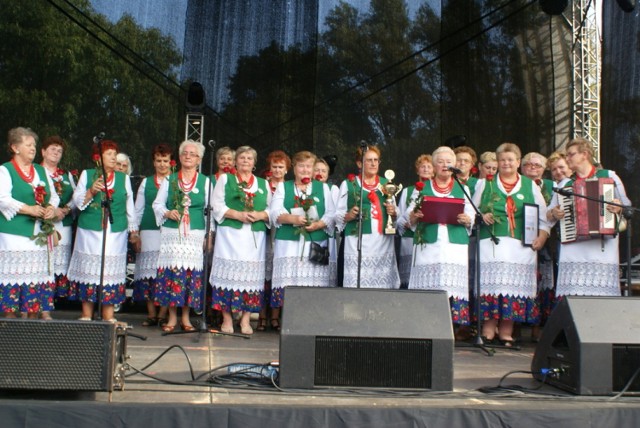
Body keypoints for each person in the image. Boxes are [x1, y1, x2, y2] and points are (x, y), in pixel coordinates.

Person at [472, 142, 550, 346]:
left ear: (518, 162)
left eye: (510, 159)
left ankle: (506, 330)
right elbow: (470, 209)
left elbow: (543, 217)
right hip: (491, 244)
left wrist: (541, 237)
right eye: (502, 160)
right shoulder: (484, 184)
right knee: (492, 285)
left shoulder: (529, 185)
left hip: (520, 246)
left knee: (513, 287)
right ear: (497, 162)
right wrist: (482, 215)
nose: (506, 163)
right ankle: (488, 329)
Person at [547, 138, 630, 300]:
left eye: (571, 155)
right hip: (573, 247)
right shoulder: (564, 184)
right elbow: (548, 215)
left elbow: (627, 207)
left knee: (601, 299)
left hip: (602, 248)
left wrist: (618, 207)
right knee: (574, 298)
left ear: (584, 154)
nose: (568, 158)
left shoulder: (609, 176)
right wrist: (554, 213)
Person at [67, 140, 137, 322]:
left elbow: (130, 206)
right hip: (90, 231)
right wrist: (90, 191)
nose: (113, 157)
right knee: (88, 269)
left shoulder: (124, 178)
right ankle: (86, 314)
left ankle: (108, 315)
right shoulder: (88, 174)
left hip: (116, 231)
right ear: (98, 157)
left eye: (115, 154)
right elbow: (77, 202)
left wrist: (133, 231)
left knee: (110, 272)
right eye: (109, 154)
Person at [404, 147, 473, 326]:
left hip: (454, 245)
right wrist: (414, 216)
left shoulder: (463, 188)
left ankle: (453, 328)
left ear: (454, 165)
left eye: (448, 162)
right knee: (429, 285)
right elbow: (407, 216)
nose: (445, 165)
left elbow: (472, 214)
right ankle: (425, 325)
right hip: (428, 244)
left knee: (452, 286)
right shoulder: (422, 188)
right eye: (440, 162)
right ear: (434, 166)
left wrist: (468, 218)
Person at [210, 146, 271, 334]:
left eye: (249, 158)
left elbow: (272, 210)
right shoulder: (225, 179)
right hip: (230, 236)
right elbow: (216, 204)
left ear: (254, 163)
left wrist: (260, 214)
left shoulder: (263, 183)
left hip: (254, 239)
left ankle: (245, 320)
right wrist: (237, 214)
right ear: (235, 161)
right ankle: (227, 319)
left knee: (250, 278)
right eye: (242, 158)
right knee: (227, 275)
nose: (245, 161)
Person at [270, 151, 336, 324]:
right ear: (294, 168)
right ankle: (289, 321)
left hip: (315, 242)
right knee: (289, 281)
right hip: (289, 244)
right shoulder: (284, 187)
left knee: (313, 283)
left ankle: (310, 322)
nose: (305, 170)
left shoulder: (323, 188)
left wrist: (318, 224)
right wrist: (293, 219)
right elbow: (275, 212)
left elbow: (331, 214)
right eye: (301, 166)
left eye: (309, 166)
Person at [152, 140, 211, 333]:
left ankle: (186, 318)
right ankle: (171, 317)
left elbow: (211, 210)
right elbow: (157, 204)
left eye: (192, 154)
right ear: (179, 156)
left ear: (199, 159)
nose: (188, 156)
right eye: (185, 153)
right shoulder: (169, 179)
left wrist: (209, 235)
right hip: (172, 232)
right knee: (172, 272)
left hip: (194, 234)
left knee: (189, 274)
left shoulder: (205, 181)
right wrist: (167, 212)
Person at [0, 127, 59, 318]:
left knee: (35, 278)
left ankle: (31, 328)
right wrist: (29, 209)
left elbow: (55, 196)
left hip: (38, 236)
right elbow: (2, 198)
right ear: (15, 148)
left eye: (34, 145)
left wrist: (50, 207)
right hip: (13, 236)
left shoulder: (41, 171)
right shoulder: (5, 170)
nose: (33, 148)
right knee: (13, 278)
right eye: (28, 145)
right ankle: (10, 324)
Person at [336, 145, 400, 289]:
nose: (373, 163)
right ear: (359, 164)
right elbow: (338, 215)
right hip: (357, 241)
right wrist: (349, 215)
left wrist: (393, 212)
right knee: (357, 280)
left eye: (376, 160)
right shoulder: (348, 184)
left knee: (381, 282)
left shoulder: (386, 183)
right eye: (369, 160)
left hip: (382, 241)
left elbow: (397, 213)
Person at [132, 144, 172, 327]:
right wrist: (135, 233)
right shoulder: (146, 182)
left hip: (169, 232)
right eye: (158, 161)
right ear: (153, 162)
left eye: (165, 161)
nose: (162, 164)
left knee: (164, 273)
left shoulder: (176, 181)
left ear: (171, 162)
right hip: (149, 230)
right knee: (148, 274)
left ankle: (163, 313)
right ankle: (151, 313)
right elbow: (138, 209)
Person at [40, 135, 76, 319]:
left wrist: (66, 209)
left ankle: (48, 306)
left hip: (63, 224)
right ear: (43, 151)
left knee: (56, 268)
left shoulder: (66, 175)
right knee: (42, 264)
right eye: (52, 149)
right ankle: (38, 309)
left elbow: (76, 198)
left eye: (59, 150)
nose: (56, 152)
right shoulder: (36, 172)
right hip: (42, 224)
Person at [521, 151, 554, 342]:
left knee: (544, 286)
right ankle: (518, 326)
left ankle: (539, 327)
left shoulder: (552, 186)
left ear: (544, 169)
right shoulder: (518, 185)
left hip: (549, 240)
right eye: (528, 164)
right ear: (522, 167)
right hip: (524, 240)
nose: (533, 167)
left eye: (537, 165)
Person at [256, 150, 291, 331]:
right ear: (269, 169)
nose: (277, 170)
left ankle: (276, 316)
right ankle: (262, 315)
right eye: (274, 167)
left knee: (280, 274)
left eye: (281, 167)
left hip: (283, 232)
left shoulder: (290, 187)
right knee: (263, 275)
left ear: (287, 170)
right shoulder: (263, 186)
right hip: (264, 231)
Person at [396, 154, 433, 288]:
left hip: (429, 239)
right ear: (417, 170)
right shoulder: (407, 191)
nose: (426, 169)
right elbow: (399, 216)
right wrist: (405, 223)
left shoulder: (435, 190)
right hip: (409, 240)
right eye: (423, 166)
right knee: (409, 279)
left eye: (429, 166)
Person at [314, 157, 340, 287]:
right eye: (316, 170)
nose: (320, 173)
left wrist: (320, 223)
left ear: (328, 174)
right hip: (307, 236)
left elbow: (335, 213)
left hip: (326, 238)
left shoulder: (332, 189)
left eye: (323, 171)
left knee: (324, 277)